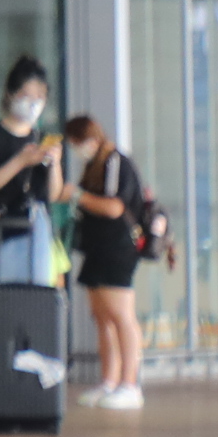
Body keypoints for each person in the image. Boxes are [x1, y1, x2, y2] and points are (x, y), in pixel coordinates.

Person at [58, 112, 148, 409]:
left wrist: (78, 196)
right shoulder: (94, 165)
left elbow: (113, 207)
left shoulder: (115, 163)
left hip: (117, 247)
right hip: (97, 247)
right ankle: (109, 381)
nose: (76, 148)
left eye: (77, 142)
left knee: (121, 315)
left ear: (90, 139)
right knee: (102, 316)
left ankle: (130, 383)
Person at [0, 58, 59, 285]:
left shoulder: (41, 138)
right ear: (10, 94)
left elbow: (53, 195)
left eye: (40, 97)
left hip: (35, 236)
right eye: (27, 95)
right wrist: (20, 161)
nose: (34, 104)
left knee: (34, 304)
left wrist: (55, 163)